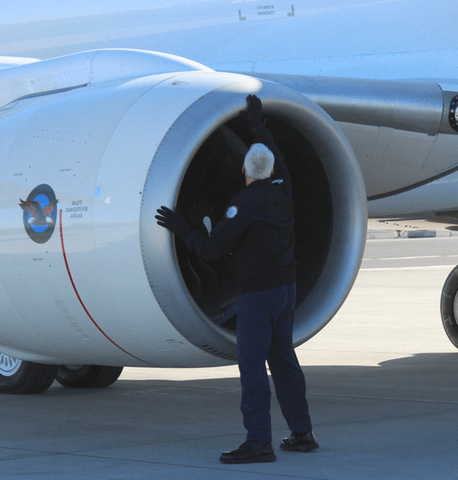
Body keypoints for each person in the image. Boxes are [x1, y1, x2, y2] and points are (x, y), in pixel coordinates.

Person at [156, 94, 318, 464]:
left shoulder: (242, 206)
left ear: (244, 170)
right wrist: (257, 125)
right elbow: (276, 154)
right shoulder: (283, 187)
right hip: (286, 290)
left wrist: (180, 226)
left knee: (252, 366)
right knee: (284, 360)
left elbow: (211, 250)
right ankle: (302, 432)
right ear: (270, 169)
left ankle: (259, 442)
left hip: (258, 296)